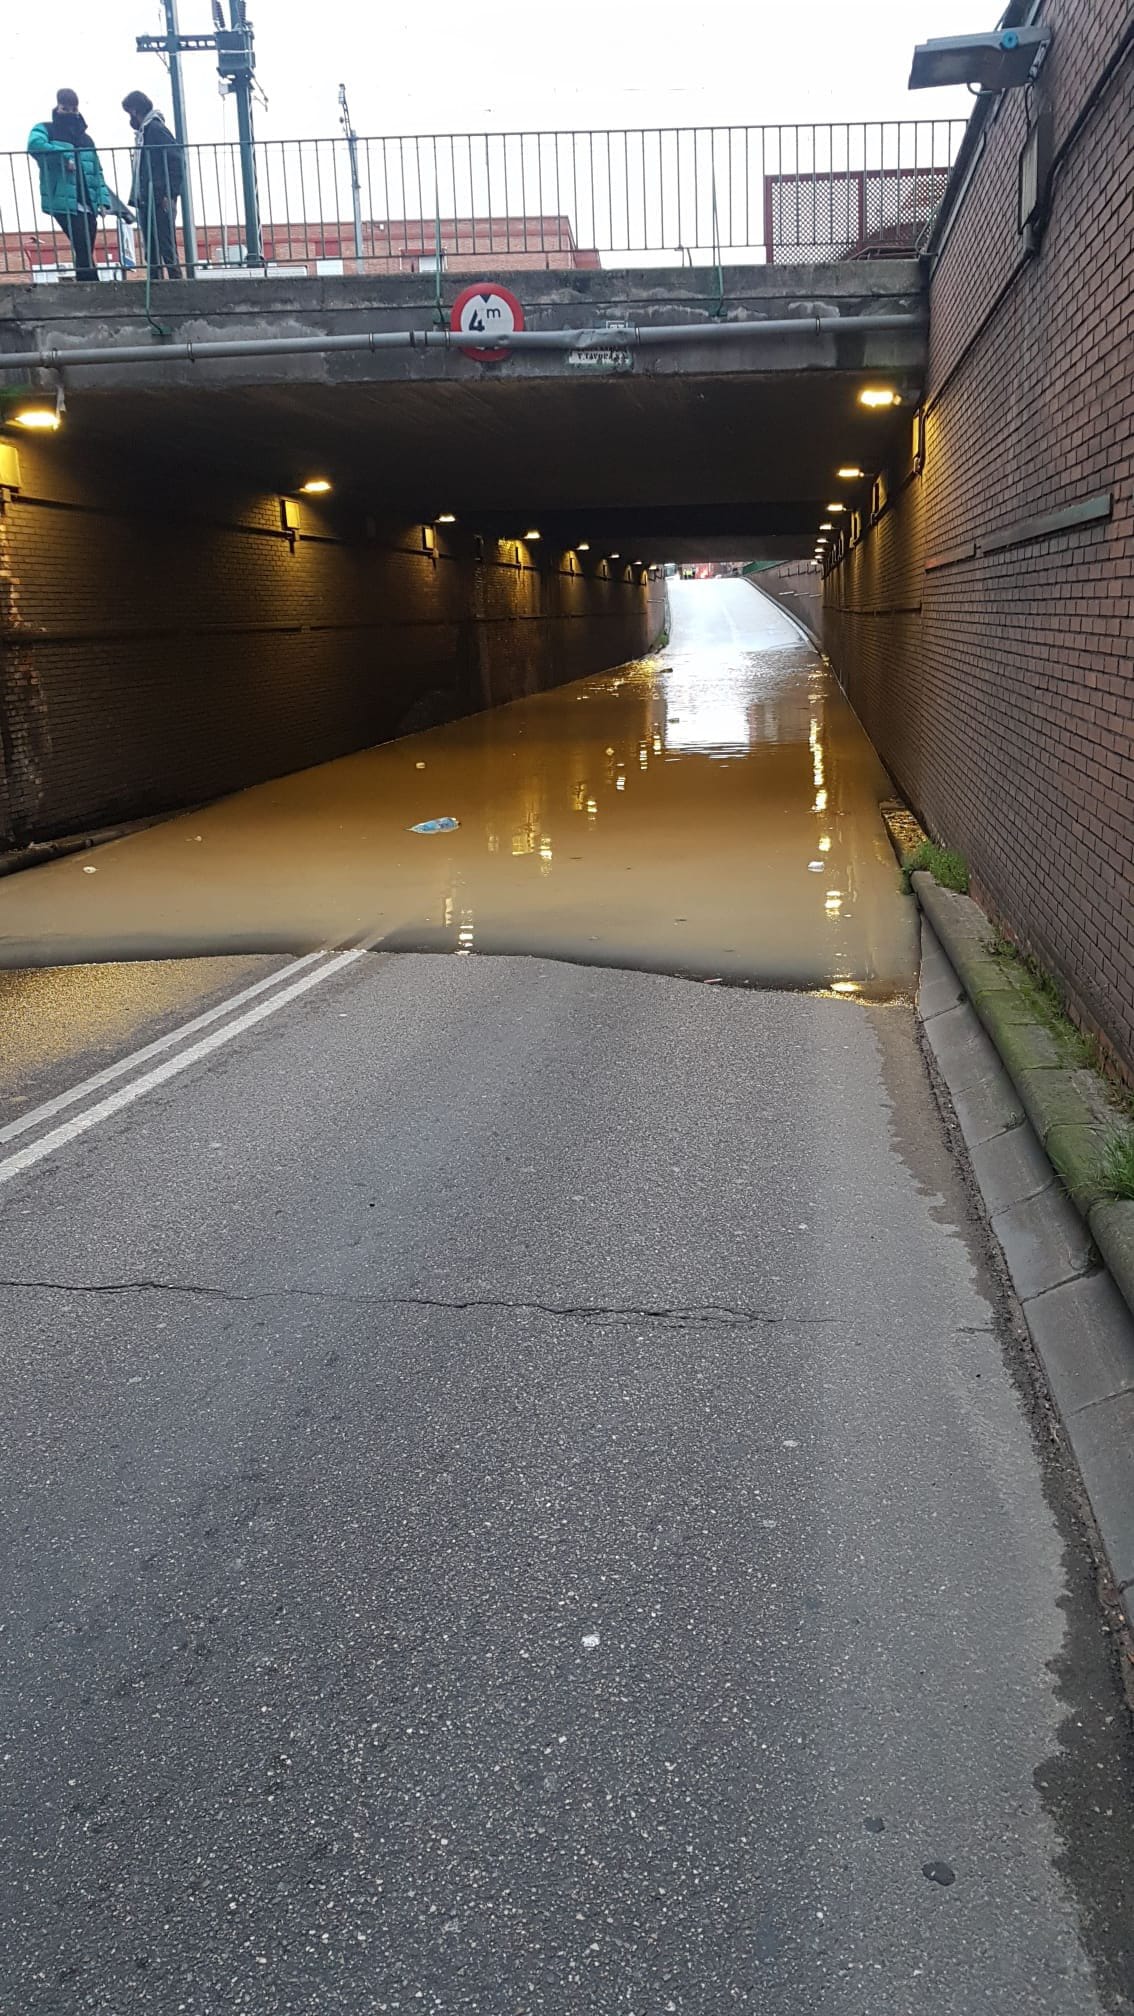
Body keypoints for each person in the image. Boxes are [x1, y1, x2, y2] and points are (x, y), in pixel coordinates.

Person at [27, 89, 133, 283]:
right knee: (82, 241)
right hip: (64, 199)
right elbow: (35, 145)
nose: (69, 112)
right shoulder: (46, 129)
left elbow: (97, 171)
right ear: (58, 106)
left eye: (73, 108)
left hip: (88, 201)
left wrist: (102, 200)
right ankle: (92, 285)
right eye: (65, 108)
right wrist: (65, 156)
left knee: (85, 244)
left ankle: (87, 284)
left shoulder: (86, 139)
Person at [122, 91, 184, 281]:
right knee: (153, 246)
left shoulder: (155, 130)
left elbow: (175, 160)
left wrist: (169, 193)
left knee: (164, 243)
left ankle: (173, 281)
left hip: (157, 197)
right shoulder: (145, 132)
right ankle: (157, 280)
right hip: (147, 197)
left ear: (134, 110)